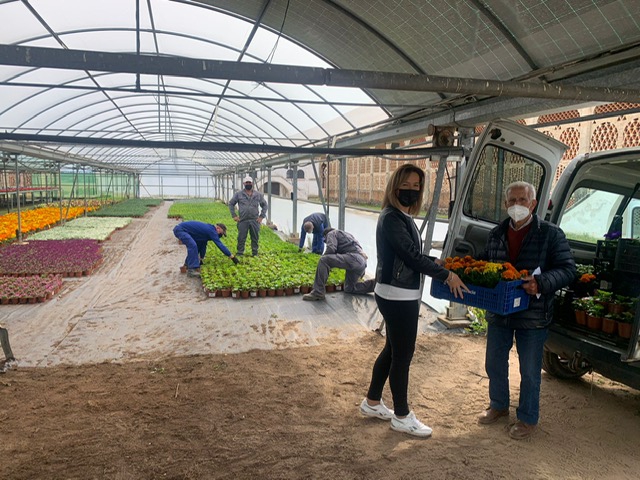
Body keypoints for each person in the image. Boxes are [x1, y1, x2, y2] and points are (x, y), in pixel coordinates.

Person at [360, 163, 468, 438]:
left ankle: (372, 402)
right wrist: (446, 275)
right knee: (403, 356)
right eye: (405, 185)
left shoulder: (400, 217)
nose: (411, 190)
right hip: (398, 295)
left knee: (392, 350)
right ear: (395, 187)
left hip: (396, 291)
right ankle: (402, 416)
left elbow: (409, 256)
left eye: (416, 186)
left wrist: (436, 262)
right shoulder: (393, 218)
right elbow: (410, 257)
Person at [477, 181, 575, 440]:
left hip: (533, 314)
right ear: (505, 204)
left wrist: (540, 283)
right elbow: (487, 265)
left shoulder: (551, 234)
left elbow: (567, 270)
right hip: (500, 312)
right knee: (494, 363)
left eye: (523, 200)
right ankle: (498, 405)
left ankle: (527, 418)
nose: (517, 205)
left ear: (533, 204)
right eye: (512, 201)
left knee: (530, 371)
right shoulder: (496, 234)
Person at [302, 227, 376, 301]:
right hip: (361, 262)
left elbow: (331, 248)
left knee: (323, 260)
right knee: (349, 288)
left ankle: (318, 292)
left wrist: (324, 261)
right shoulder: (347, 235)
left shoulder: (331, 233)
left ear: (325, 235)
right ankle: (375, 284)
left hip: (353, 258)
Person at [173, 221, 239, 277]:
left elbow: (203, 246)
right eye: (220, 233)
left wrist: (201, 258)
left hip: (181, 229)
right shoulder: (211, 230)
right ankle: (191, 270)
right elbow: (220, 245)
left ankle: (187, 264)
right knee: (193, 246)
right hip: (180, 230)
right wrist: (232, 257)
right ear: (218, 229)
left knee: (196, 246)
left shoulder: (207, 232)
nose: (220, 235)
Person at [228, 176, 268, 256]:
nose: (248, 184)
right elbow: (231, 203)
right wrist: (234, 215)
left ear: (252, 183)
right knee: (241, 237)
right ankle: (240, 252)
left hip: (254, 220)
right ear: (244, 183)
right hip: (243, 220)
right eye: (247, 183)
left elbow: (264, 205)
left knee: (255, 237)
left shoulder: (258, 194)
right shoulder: (239, 194)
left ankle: (255, 252)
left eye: (250, 182)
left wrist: (261, 217)